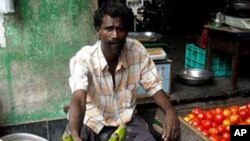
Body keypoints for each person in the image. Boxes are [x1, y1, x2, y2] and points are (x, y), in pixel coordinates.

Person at [64, 2, 179, 141]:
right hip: (91, 121)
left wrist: (170, 110)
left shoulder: (136, 50)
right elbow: (78, 99)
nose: (115, 35)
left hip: (125, 121)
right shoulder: (84, 58)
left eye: (120, 29)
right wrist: (75, 135)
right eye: (109, 29)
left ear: (127, 31)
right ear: (98, 30)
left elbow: (154, 86)